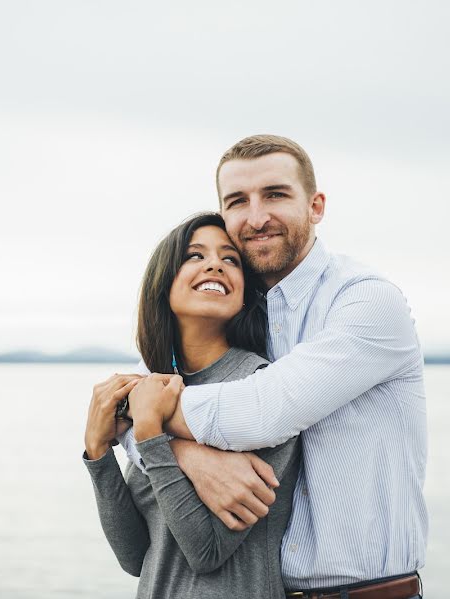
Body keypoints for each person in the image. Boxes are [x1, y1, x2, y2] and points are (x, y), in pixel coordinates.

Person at [122, 135, 427, 598]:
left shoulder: (365, 301)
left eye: (276, 194)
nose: (257, 217)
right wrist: (183, 453)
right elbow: (150, 398)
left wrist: (142, 419)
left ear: (316, 206)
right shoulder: (240, 318)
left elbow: (263, 412)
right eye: (238, 201)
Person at [83, 212, 300, 598]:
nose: (215, 264)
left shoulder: (259, 388)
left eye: (230, 259)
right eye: (195, 255)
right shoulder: (152, 390)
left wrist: (151, 434)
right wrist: (99, 454)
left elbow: (207, 552)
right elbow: (135, 557)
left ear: (245, 290)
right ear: (164, 280)